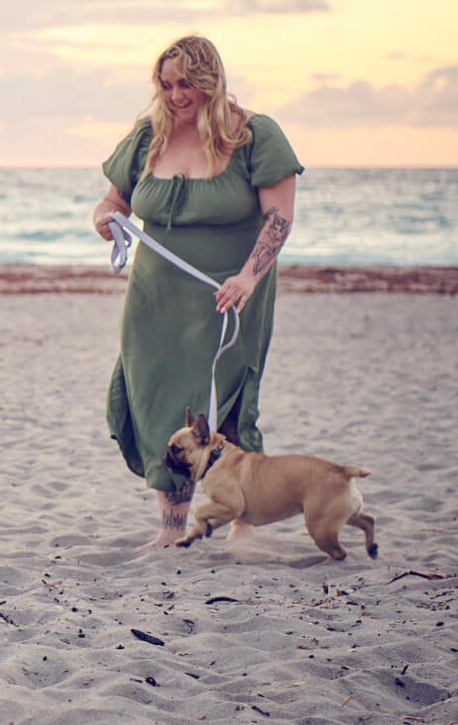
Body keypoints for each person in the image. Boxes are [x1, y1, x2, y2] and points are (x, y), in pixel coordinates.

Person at [92, 35, 302, 548]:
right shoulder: (148, 138)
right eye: (166, 84)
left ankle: (243, 524)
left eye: (186, 83)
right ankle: (171, 529)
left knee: (228, 406)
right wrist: (106, 216)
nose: (175, 95)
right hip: (154, 301)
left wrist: (249, 275)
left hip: (228, 298)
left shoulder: (255, 136)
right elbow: (116, 197)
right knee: (156, 400)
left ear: (212, 81)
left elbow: (279, 217)